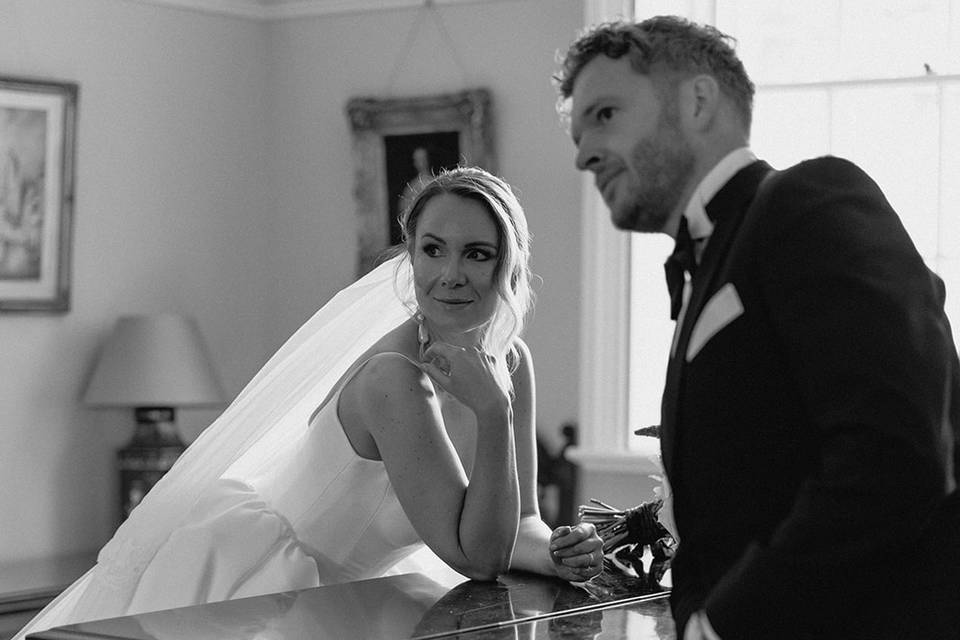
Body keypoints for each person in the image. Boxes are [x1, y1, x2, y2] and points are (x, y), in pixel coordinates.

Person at [15, 167, 603, 639]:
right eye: (432, 249)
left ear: (508, 264)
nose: (450, 273)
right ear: (411, 256)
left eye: (476, 253)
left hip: (371, 596)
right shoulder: (393, 379)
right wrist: (494, 414)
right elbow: (477, 558)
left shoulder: (511, 361)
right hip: (273, 588)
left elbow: (518, 524)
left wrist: (555, 554)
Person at [555, 16, 960, 640]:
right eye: (579, 135)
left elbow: (895, 456)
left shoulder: (811, 200)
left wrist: (721, 625)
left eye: (605, 114)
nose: (584, 155)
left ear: (697, 102)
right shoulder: (707, 265)